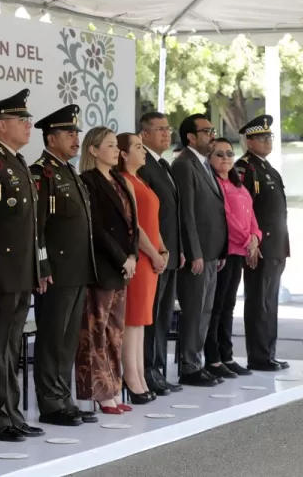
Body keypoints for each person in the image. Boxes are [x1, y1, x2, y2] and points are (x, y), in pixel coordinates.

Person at [0, 88, 47, 442]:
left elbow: (33, 229)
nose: (29, 125)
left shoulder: (17, 163)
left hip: (21, 274)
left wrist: (39, 269)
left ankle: (12, 412)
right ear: (1, 125)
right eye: (22, 120)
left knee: (12, 348)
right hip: (0, 276)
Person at [31, 104, 98, 427]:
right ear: (51, 137)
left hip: (76, 269)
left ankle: (65, 397)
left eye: (76, 133)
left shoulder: (69, 171)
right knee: (52, 339)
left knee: (68, 338)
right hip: (56, 271)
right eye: (68, 133)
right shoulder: (41, 173)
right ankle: (51, 403)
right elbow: (37, 227)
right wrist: (43, 266)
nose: (75, 139)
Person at [75, 127, 140, 414]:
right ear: (93, 150)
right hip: (102, 266)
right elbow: (96, 227)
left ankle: (114, 387)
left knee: (116, 332)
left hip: (123, 266)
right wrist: (120, 258)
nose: (116, 150)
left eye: (116, 145)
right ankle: (99, 392)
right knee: (96, 332)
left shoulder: (118, 180)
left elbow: (132, 223)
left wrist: (133, 255)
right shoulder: (87, 182)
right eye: (110, 145)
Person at [171, 114, 228, 387]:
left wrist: (221, 249)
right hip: (199, 254)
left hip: (212, 252)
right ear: (191, 137)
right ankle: (189, 367)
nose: (212, 135)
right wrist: (194, 252)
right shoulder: (184, 164)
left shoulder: (203, 163)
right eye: (206, 131)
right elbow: (187, 214)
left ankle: (198, 362)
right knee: (194, 311)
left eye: (212, 130)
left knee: (205, 311)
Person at [236, 115, 290, 371]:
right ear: (249, 141)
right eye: (263, 138)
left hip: (276, 245)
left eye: (270, 137)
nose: (268, 142)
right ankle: (258, 356)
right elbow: (243, 208)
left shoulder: (268, 168)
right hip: (260, 246)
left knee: (270, 301)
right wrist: (252, 242)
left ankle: (269, 352)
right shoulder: (245, 167)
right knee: (259, 301)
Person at [117, 132, 166, 403]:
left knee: (141, 321)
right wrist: (152, 252)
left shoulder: (141, 180)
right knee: (132, 319)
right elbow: (134, 225)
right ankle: (131, 377)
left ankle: (139, 374)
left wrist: (163, 249)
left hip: (152, 258)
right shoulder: (124, 182)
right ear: (123, 154)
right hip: (140, 257)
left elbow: (153, 222)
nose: (143, 151)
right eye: (137, 146)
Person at [205, 138, 260, 379]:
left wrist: (255, 238)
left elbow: (251, 215)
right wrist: (248, 240)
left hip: (241, 250)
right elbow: (226, 217)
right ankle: (213, 358)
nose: (226, 158)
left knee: (228, 307)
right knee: (216, 307)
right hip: (226, 251)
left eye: (229, 153)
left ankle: (227, 356)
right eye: (219, 154)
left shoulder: (237, 183)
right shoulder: (214, 184)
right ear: (209, 158)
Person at [136, 111, 183, 395]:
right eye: (160, 129)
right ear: (144, 135)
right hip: (152, 254)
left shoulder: (163, 164)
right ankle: (148, 371)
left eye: (168, 129)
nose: (166, 133)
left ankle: (159, 369)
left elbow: (172, 215)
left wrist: (178, 250)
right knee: (151, 317)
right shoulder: (144, 167)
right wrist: (158, 250)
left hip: (169, 252)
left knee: (164, 315)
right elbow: (146, 217)